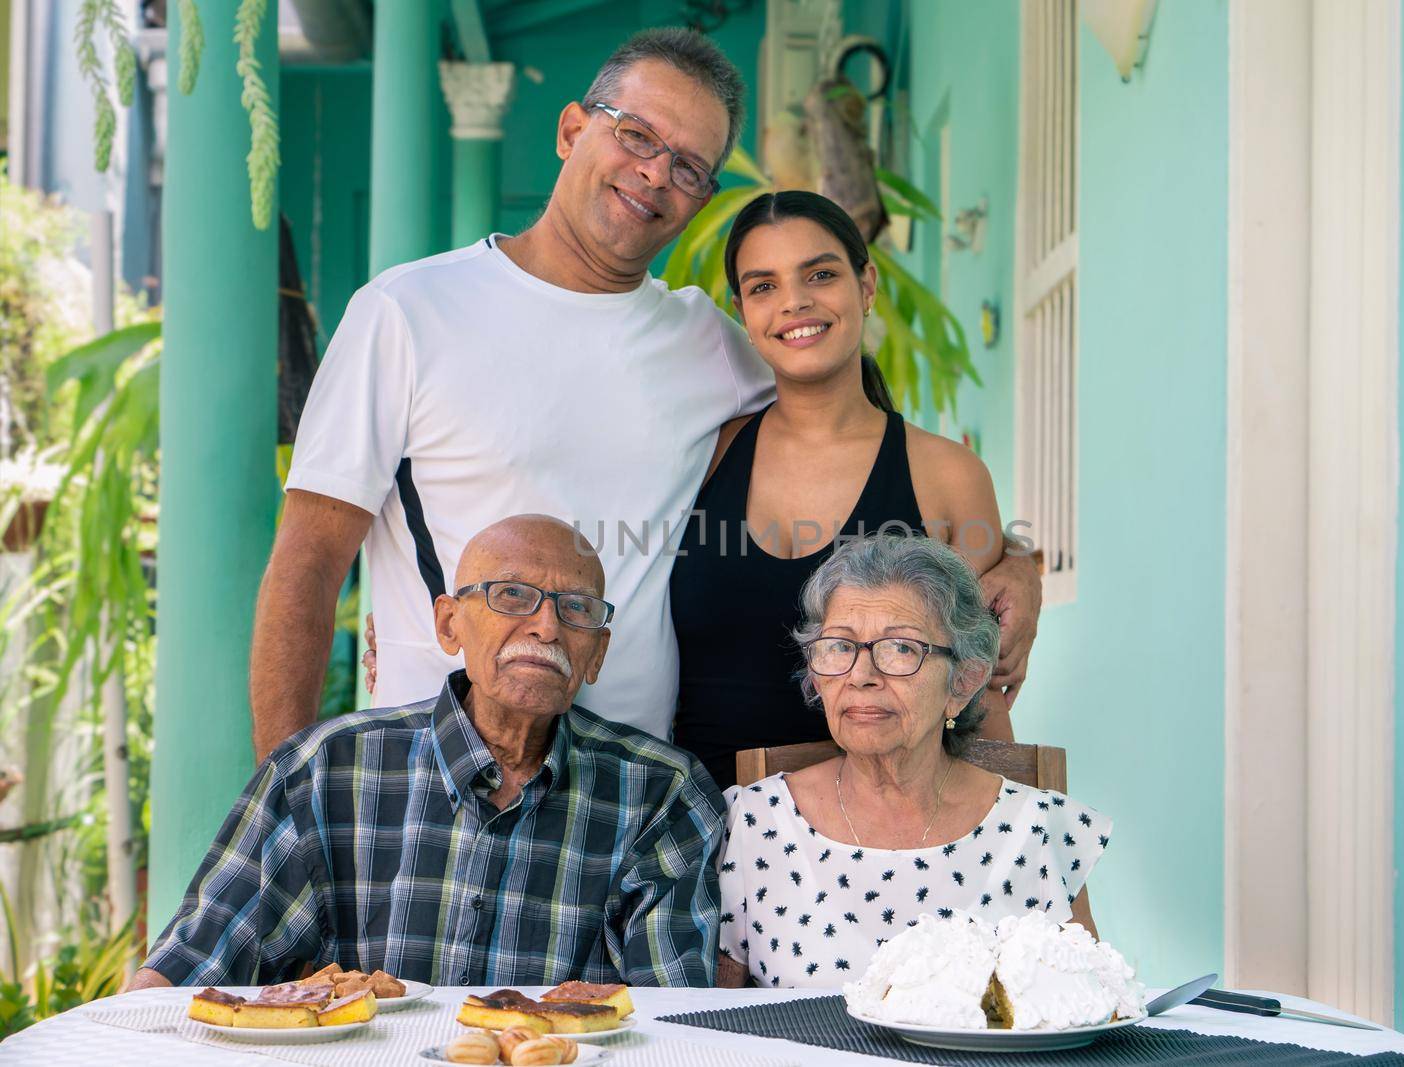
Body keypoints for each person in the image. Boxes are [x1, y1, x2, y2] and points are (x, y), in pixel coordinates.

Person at [251, 29, 773, 758]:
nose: (656, 173)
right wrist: (287, 798)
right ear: (571, 130)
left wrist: (994, 553)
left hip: (623, 799)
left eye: (687, 167)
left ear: (701, 199)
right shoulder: (409, 311)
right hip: (428, 784)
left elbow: (849, 441)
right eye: (636, 135)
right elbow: (307, 563)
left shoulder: (713, 347)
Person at [132, 515, 725, 990]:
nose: (546, 626)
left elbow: (664, 1020)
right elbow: (187, 971)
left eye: (576, 609)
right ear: (449, 626)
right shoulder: (325, 770)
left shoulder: (659, 792)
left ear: (596, 653)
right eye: (512, 595)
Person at [670, 190, 1019, 787]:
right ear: (742, 313)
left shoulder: (947, 476)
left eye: (821, 275)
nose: (794, 303)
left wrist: (1028, 855)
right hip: (702, 836)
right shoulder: (704, 452)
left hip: (880, 850)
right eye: (764, 287)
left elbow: (977, 698)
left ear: (867, 285)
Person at [715, 535, 1112, 989]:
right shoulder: (755, 821)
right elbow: (722, 1022)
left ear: (964, 681)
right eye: (840, 647)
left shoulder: (1040, 829)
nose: (861, 676)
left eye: (901, 648)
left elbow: (1090, 1007)